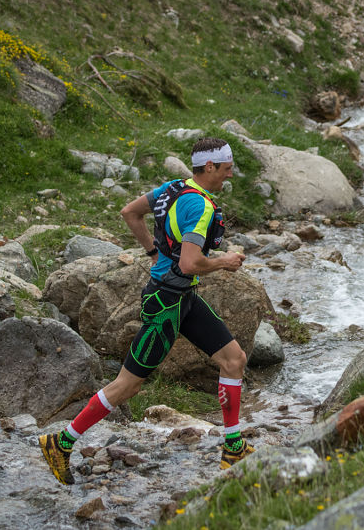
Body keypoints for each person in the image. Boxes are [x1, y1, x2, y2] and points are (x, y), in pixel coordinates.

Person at [40, 137, 254, 485]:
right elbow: (189, 263)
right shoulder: (199, 207)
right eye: (227, 169)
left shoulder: (173, 188)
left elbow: (129, 212)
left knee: (234, 359)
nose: (230, 175)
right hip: (166, 305)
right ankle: (60, 443)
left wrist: (154, 252)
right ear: (211, 167)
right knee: (126, 386)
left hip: (182, 299)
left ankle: (233, 447)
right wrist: (224, 262)